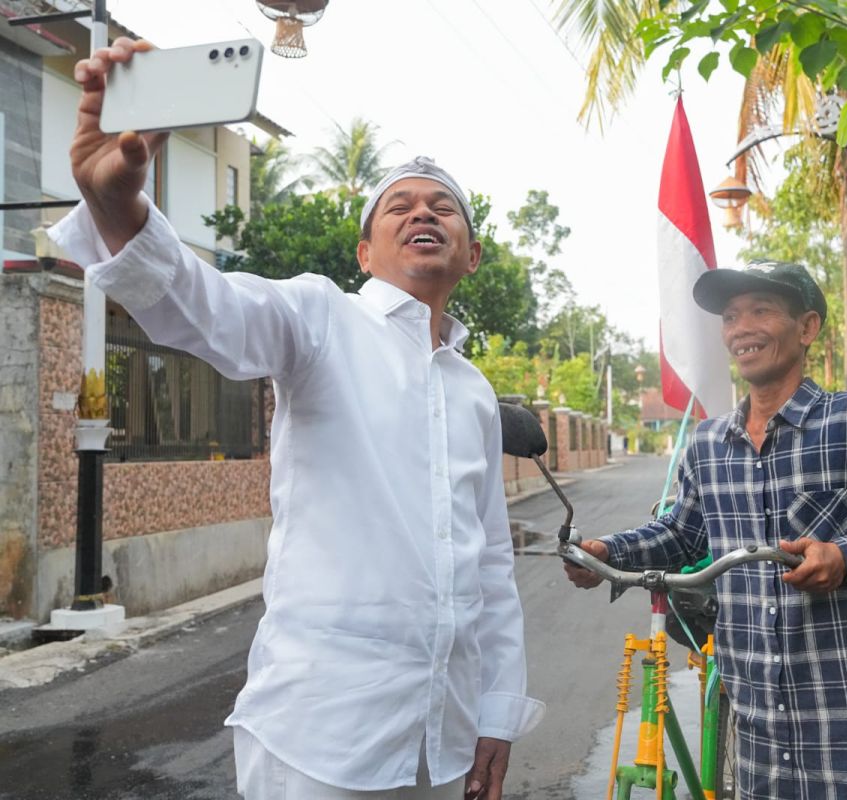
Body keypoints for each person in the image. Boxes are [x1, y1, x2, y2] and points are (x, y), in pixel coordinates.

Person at [53, 37, 543, 800]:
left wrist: (497, 715)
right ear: (365, 250)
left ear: (472, 254)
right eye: (400, 206)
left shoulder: (476, 391)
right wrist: (119, 207)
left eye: (442, 206)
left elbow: (489, 570)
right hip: (322, 736)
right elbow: (204, 307)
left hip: (440, 744)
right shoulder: (320, 318)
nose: (423, 213)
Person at [565, 260, 847, 799]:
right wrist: (606, 552)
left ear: (807, 327)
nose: (741, 328)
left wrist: (846, 556)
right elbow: (682, 535)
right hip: (760, 725)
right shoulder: (707, 443)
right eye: (730, 317)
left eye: (761, 310)